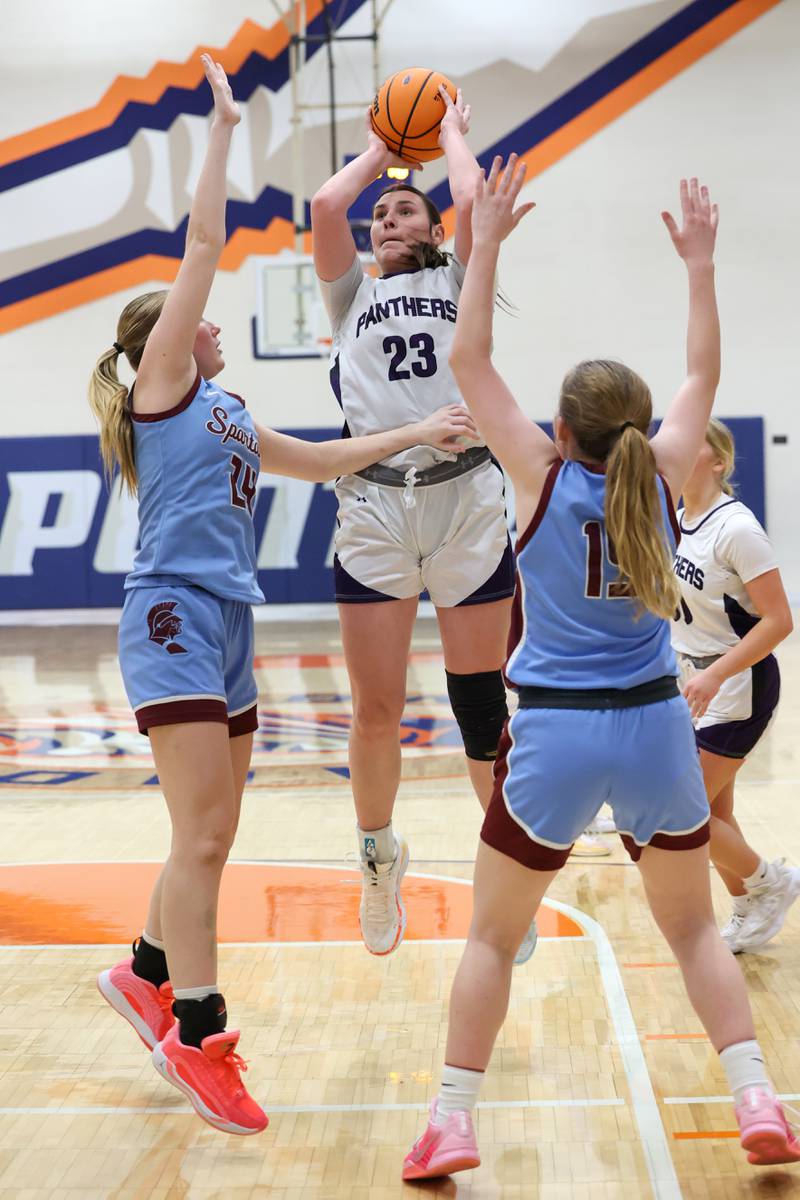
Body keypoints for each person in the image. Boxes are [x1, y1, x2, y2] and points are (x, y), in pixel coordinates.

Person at [88, 55, 480, 1138]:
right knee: (204, 836)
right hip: (170, 611)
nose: (211, 323)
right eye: (193, 318)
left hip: (226, 619)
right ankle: (200, 1031)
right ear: (162, 339)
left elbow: (316, 460)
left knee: (213, 826)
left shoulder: (223, 406)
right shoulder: (168, 380)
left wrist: (421, 432)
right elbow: (207, 247)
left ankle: (146, 970)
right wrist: (220, 128)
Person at [402, 160, 800, 1180]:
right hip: (657, 729)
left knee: (491, 940)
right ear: (632, 426)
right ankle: (755, 1093)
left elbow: (466, 354)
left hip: (554, 737)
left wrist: (483, 239)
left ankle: (451, 1119)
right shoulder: (669, 471)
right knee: (691, 933)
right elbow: (701, 373)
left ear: (563, 429)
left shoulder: (534, 473)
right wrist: (700, 267)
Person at [310, 89, 538, 965]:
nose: (385, 217)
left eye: (405, 207)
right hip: (373, 504)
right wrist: (381, 148)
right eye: (382, 213)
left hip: (466, 501)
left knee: (480, 710)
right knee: (375, 711)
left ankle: (504, 881)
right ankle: (377, 857)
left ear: (434, 227)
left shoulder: (458, 278)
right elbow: (329, 204)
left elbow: (476, 205)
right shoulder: (346, 300)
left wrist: (450, 139)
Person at [673, 418, 796, 952]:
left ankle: (772, 882)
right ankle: (751, 905)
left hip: (737, 682)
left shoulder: (737, 528)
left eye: (688, 439)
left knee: (682, 814)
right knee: (714, 814)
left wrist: (715, 674)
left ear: (718, 460)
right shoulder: (677, 518)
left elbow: (779, 621)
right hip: (694, 678)